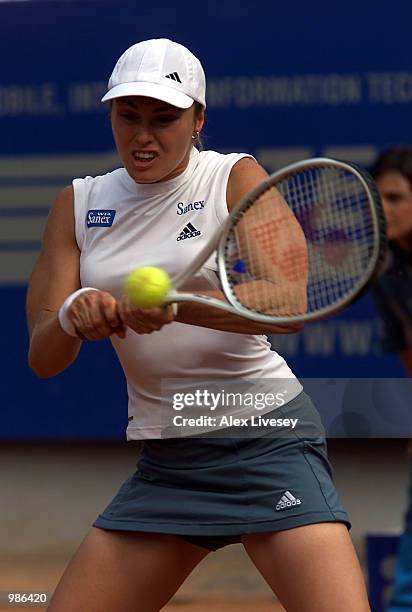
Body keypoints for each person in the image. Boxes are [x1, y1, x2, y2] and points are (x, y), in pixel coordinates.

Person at [26, 38, 370, 611]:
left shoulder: (231, 177)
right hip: (169, 458)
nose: (143, 134)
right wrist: (71, 315)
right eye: (128, 115)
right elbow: (43, 356)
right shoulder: (79, 205)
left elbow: (287, 303)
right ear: (109, 113)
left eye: (164, 118)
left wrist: (180, 307)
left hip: (267, 440)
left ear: (197, 119)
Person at [369, 146, 412, 612]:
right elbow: (408, 345)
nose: (385, 210)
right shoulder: (385, 270)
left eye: (396, 198)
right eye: (378, 199)